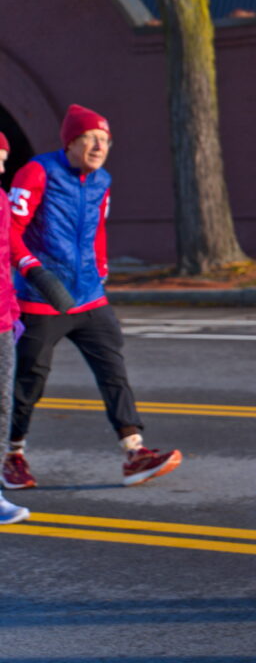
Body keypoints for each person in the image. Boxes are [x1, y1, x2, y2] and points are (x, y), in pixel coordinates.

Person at [1, 105, 181, 490]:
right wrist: (32, 268)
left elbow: (98, 228)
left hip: (90, 296)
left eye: (106, 140)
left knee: (113, 369)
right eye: (91, 138)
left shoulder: (102, 180)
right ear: (70, 141)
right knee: (29, 380)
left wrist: (101, 268)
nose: (100, 146)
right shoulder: (37, 172)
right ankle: (12, 454)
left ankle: (134, 452)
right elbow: (9, 229)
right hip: (42, 297)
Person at [0, 133, 28, 523]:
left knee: (1, 404)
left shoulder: (2, 200)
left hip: (2, 321)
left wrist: (12, 309)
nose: (3, 166)